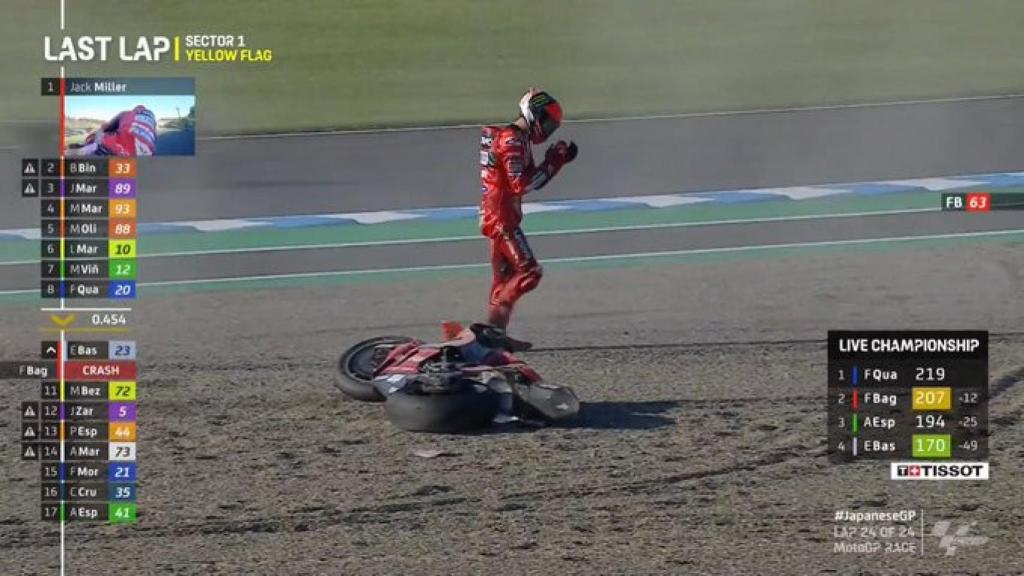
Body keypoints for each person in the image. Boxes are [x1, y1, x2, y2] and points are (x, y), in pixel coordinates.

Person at [475, 88, 578, 346]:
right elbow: (522, 184)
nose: (547, 129)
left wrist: (557, 160)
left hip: (497, 215)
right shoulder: (511, 140)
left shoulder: (517, 139)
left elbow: (527, 178)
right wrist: (554, 162)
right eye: (547, 122)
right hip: (502, 220)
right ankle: (489, 332)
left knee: (505, 278)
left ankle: (494, 336)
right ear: (533, 113)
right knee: (530, 272)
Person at [67, 105, 157, 157]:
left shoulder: (126, 113)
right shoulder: (153, 126)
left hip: (118, 149)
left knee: (102, 133)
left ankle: (83, 147)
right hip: (147, 154)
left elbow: (106, 127)